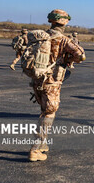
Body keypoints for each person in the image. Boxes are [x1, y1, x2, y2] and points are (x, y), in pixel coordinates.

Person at [27, 9, 85, 161]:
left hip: (37, 79)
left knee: (43, 110)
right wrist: (67, 60)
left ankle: (43, 144)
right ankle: (34, 150)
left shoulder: (40, 37)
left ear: (51, 20)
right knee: (49, 113)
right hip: (52, 82)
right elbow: (81, 55)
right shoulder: (64, 39)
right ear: (64, 21)